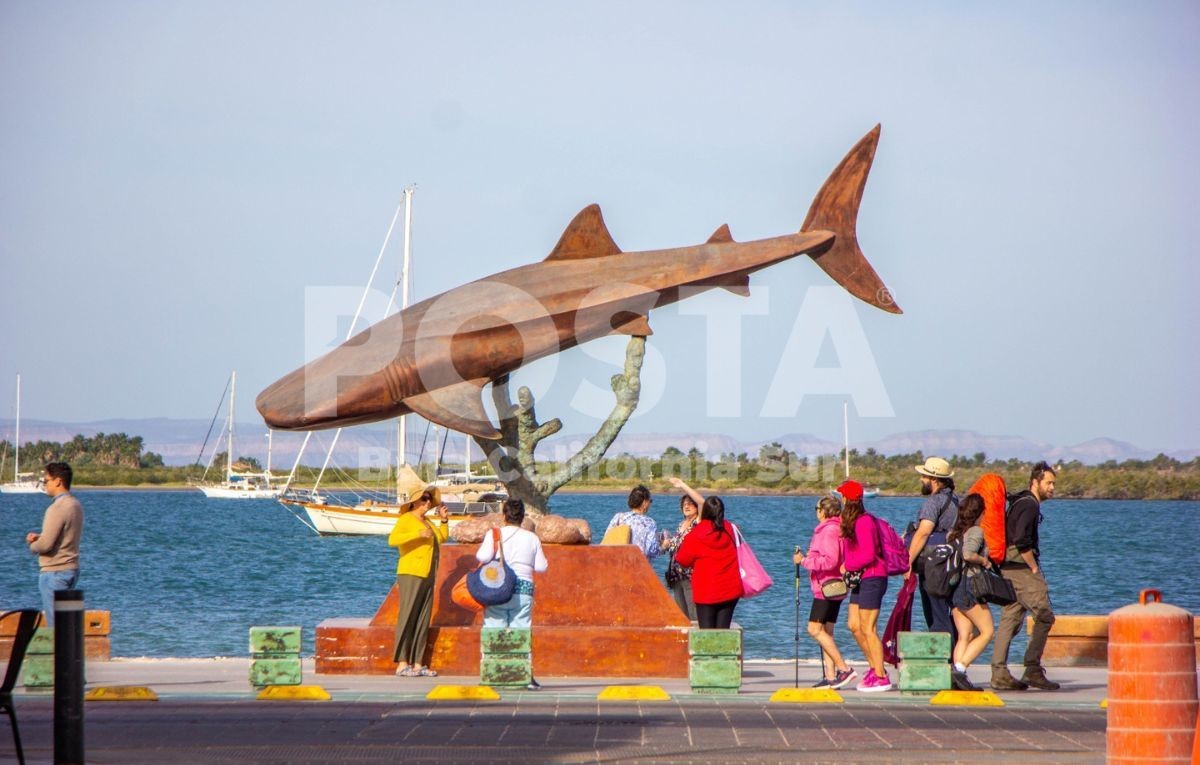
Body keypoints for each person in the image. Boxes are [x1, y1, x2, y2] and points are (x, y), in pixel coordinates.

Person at [991, 461, 1059, 691]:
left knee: (1010, 617)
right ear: (1035, 482)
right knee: (1045, 616)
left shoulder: (1020, 501)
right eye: (1048, 483)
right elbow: (1021, 541)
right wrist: (1033, 568)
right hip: (1020, 568)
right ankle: (1032, 668)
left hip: (1007, 567)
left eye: (1053, 484)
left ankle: (999, 672)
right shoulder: (1030, 505)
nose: (1052, 487)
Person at [475, 498, 548, 691]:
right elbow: (541, 567)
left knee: (494, 629)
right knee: (521, 631)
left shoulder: (494, 534)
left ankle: (494, 674)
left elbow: (481, 557)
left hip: (498, 588)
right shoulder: (532, 538)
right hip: (524, 589)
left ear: (503, 516)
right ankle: (523, 676)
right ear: (522, 517)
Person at [793, 494, 856, 689]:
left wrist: (804, 561)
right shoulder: (838, 528)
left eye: (817, 509)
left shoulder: (828, 530)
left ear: (824, 511)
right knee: (827, 631)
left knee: (814, 629)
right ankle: (830, 676)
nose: (816, 513)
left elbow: (830, 560)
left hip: (826, 588)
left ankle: (844, 668)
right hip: (834, 587)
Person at [387, 487, 449, 677]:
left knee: (423, 617)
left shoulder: (428, 521)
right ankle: (402, 662)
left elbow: (441, 538)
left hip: (428, 573)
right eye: (423, 499)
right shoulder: (406, 519)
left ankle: (418, 663)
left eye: (429, 500)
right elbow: (393, 540)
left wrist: (444, 521)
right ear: (414, 502)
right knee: (408, 615)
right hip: (411, 572)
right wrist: (417, 535)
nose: (427, 503)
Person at [838, 480, 892, 692]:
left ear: (847, 499)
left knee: (868, 628)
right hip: (861, 578)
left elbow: (869, 554)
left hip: (874, 577)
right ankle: (874, 667)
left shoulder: (864, 522)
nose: (840, 499)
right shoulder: (852, 521)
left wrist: (847, 565)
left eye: (842, 496)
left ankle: (881, 675)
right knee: (854, 625)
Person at [670, 477, 742, 629]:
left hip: (706, 590)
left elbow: (682, 559)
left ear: (704, 511)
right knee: (723, 631)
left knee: (707, 633)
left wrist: (682, 484)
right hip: (730, 588)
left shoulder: (698, 532)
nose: (687, 506)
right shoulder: (730, 528)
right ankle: (724, 653)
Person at [905, 457, 960, 645]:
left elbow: (923, 532)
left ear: (934, 479)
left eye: (924, 476)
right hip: (952, 563)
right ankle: (954, 658)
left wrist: (908, 562)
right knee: (948, 612)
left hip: (934, 566)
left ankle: (944, 662)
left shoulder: (933, 502)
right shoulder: (955, 501)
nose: (921, 479)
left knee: (936, 615)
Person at [947, 493, 995, 692]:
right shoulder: (975, 531)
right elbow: (968, 554)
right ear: (980, 512)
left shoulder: (954, 532)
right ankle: (960, 669)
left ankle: (957, 679)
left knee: (964, 635)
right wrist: (984, 561)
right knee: (987, 631)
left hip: (955, 587)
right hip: (970, 586)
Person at [25, 462, 83, 627]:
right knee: (64, 625)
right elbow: (64, 536)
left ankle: (61, 653)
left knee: (57, 627)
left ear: (58, 481)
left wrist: (32, 545)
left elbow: (45, 545)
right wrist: (41, 537)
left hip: (55, 572)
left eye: (46, 481)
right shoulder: (75, 504)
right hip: (70, 569)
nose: (45, 485)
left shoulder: (57, 507)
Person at [658, 492, 700, 621]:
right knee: (682, 616)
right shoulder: (681, 524)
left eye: (690, 504)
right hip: (675, 575)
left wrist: (681, 485)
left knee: (694, 615)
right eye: (684, 504)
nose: (686, 507)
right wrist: (667, 543)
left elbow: (702, 502)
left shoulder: (698, 522)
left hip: (690, 575)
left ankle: (697, 640)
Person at [605, 484, 660, 560]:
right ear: (644, 503)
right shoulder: (649, 523)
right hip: (638, 566)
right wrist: (663, 546)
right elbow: (651, 551)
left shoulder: (618, 517)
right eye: (650, 501)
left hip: (619, 563)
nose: (650, 504)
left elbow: (607, 540)